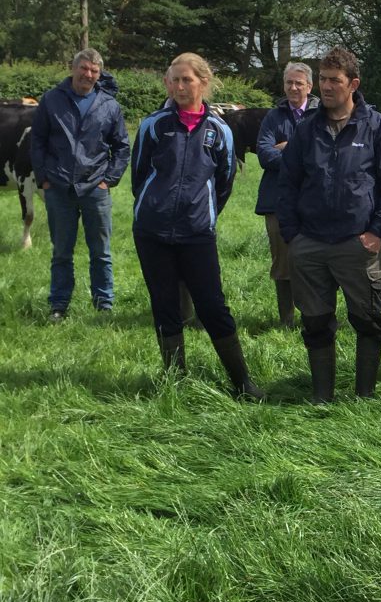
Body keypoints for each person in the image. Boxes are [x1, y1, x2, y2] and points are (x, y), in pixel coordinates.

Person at [131, 52, 264, 400]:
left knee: (212, 306)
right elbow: (139, 176)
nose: (179, 86)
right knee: (164, 304)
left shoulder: (219, 130)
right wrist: (156, 208)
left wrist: (202, 213)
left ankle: (243, 383)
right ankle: (175, 382)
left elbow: (224, 181)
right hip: (152, 232)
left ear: (203, 82)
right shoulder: (152, 125)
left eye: (186, 79)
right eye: (173, 79)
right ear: (166, 83)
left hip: (196, 234)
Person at [277, 47, 381, 403]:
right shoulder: (307, 130)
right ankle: (322, 397)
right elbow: (287, 183)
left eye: (335, 80)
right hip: (310, 244)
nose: (326, 86)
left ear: (353, 84)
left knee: (368, 321)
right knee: (316, 323)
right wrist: (293, 236)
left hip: (356, 243)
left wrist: (378, 231)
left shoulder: (377, 127)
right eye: (323, 78)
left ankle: (364, 395)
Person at [30, 48, 130, 321]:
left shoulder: (109, 104)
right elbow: (36, 141)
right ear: (73, 68)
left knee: (101, 252)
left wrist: (108, 180)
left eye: (94, 71)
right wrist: (44, 178)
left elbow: (122, 147)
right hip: (59, 187)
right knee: (61, 251)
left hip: (94, 188)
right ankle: (59, 305)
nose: (88, 75)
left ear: (99, 75)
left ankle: (104, 305)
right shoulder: (51, 100)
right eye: (84, 69)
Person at [255, 62, 319, 328]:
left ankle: (314, 317)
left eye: (299, 83)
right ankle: (286, 320)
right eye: (289, 83)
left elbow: (322, 155)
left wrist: (286, 148)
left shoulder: (321, 115)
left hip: (315, 201)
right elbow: (264, 155)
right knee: (282, 261)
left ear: (309, 87)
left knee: (314, 261)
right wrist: (300, 154)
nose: (293, 88)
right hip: (277, 201)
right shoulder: (273, 117)